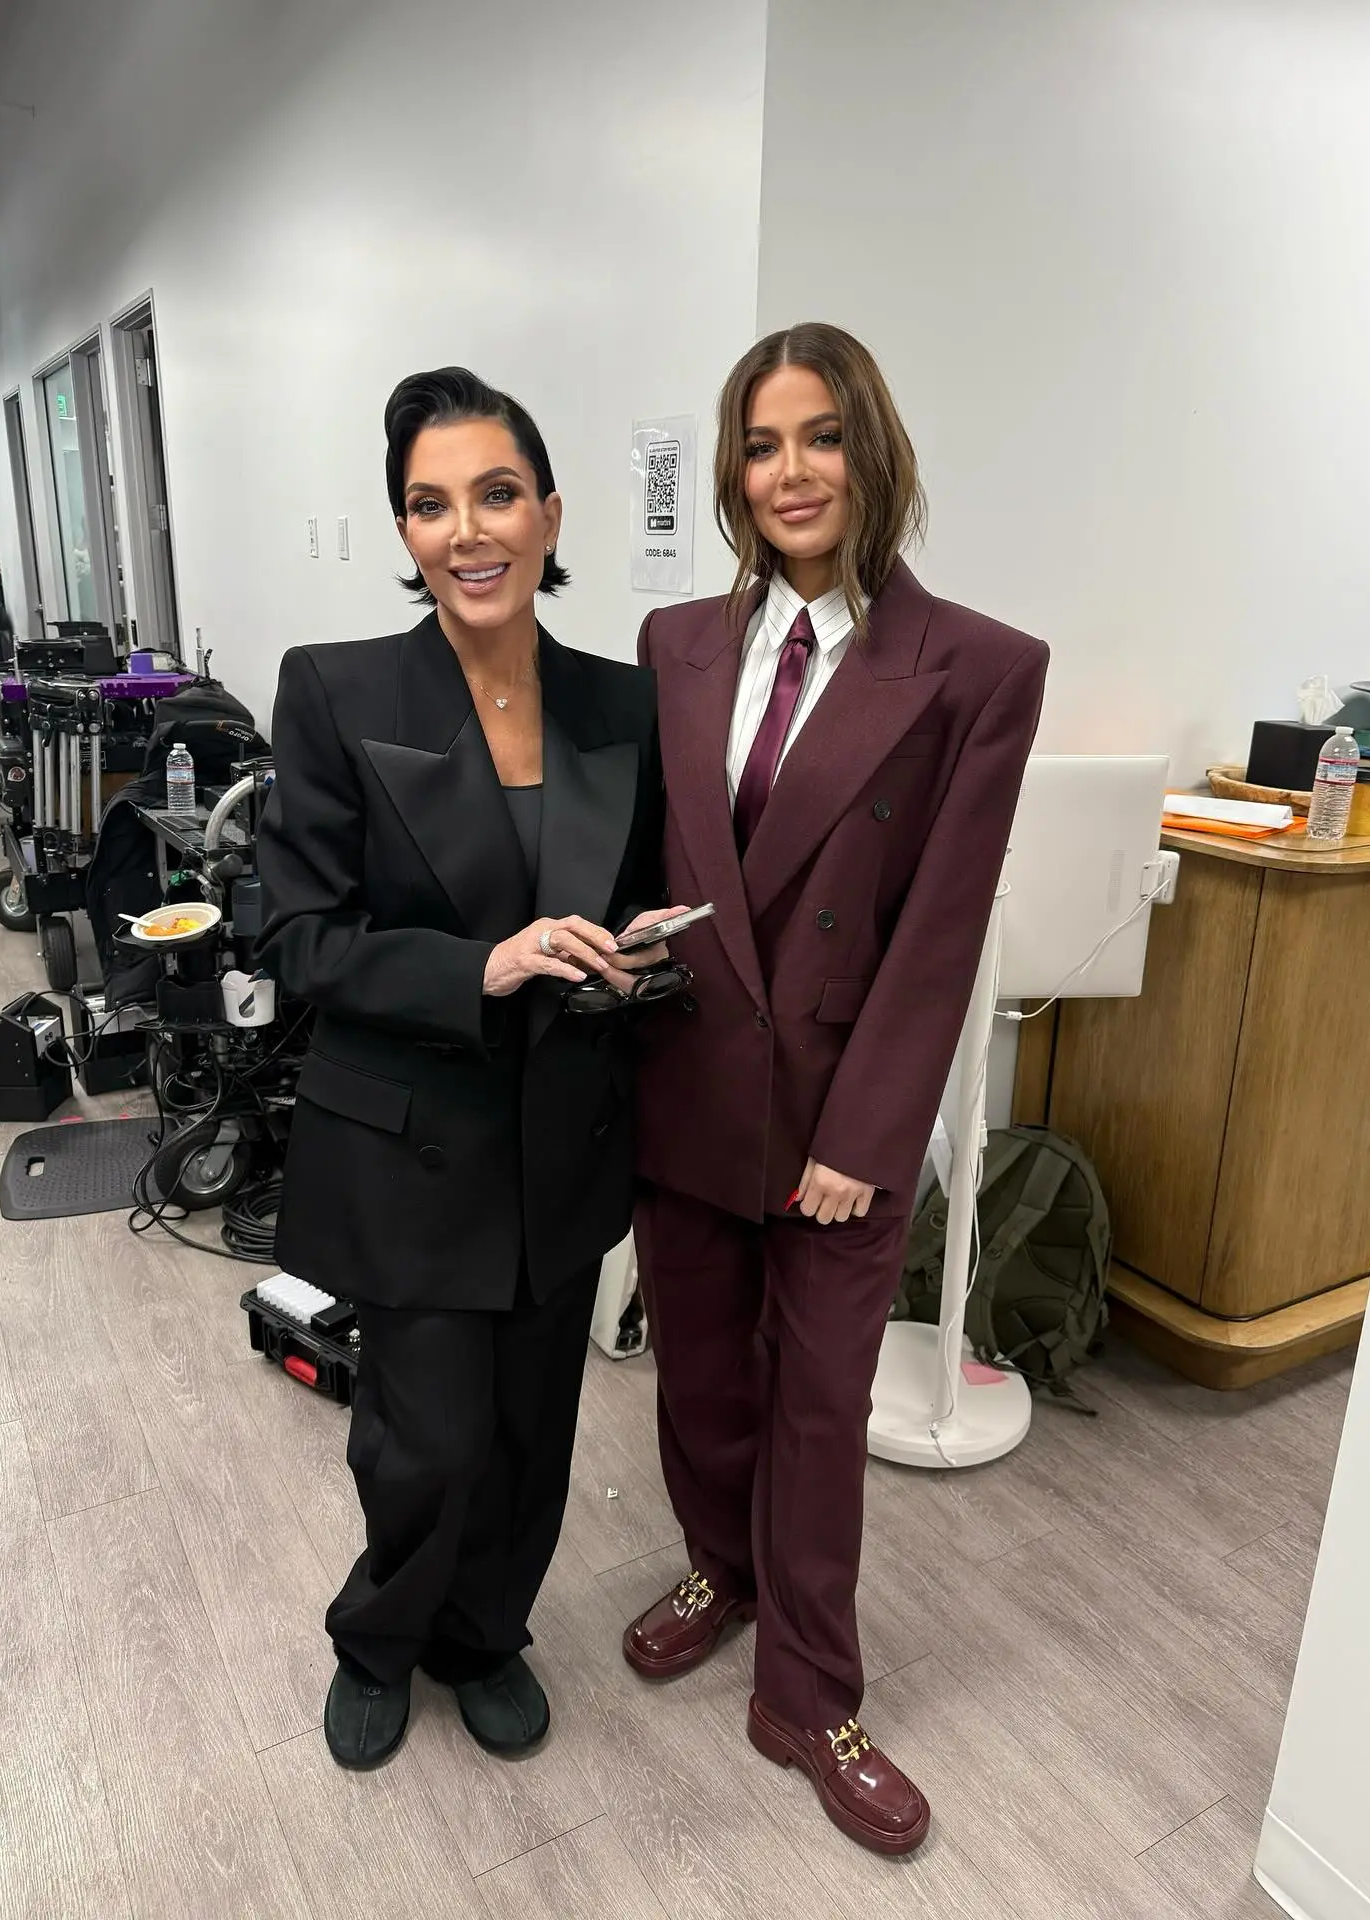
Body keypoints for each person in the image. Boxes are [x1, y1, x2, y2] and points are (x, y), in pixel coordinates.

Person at [624, 323, 1049, 1854]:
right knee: (704, 1386)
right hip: (684, 1089)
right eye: (760, 442)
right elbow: (653, 869)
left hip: (836, 1131)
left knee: (817, 1411)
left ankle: (811, 1690)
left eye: (821, 437)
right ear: (734, 472)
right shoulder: (676, 644)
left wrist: (869, 1141)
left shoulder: (980, 669)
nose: (790, 470)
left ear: (873, 452)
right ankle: (718, 1573)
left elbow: (938, 935)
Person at [256, 368, 677, 1772]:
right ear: (407, 529)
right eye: (429, 503)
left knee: (530, 1435)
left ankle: (484, 1633)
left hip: (563, 1135)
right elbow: (299, 937)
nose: (467, 529)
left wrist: (642, 953)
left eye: (497, 493)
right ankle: (379, 1637)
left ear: (551, 515)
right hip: (413, 1142)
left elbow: (647, 898)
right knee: (422, 1440)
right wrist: (478, 966)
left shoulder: (626, 705)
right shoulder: (337, 689)